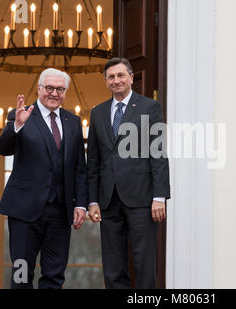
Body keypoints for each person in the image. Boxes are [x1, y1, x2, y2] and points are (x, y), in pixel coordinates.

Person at [0, 68, 88, 289]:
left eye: (60, 89)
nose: (54, 93)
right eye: (49, 88)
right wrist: (17, 125)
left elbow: (79, 169)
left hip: (60, 212)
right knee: (21, 275)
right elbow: (3, 148)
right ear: (39, 89)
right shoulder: (20, 114)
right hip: (24, 212)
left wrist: (81, 204)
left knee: (55, 277)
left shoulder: (73, 121)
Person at [87, 57, 170, 289]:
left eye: (121, 75)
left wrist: (159, 196)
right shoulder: (98, 113)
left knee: (144, 263)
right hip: (108, 199)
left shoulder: (150, 107)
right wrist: (92, 200)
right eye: (111, 77)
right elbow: (93, 161)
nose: (116, 81)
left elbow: (159, 152)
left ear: (131, 78)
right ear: (105, 81)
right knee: (113, 267)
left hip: (142, 199)